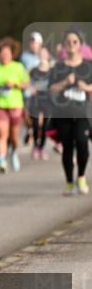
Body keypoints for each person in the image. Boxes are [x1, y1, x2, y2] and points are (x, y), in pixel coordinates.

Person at [48, 30, 91, 195]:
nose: (71, 44)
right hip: (63, 114)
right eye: (68, 42)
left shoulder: (88, 65)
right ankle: (69, 182)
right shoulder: (58, 67)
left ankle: (81, 177)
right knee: (67, 148)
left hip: (82, 113)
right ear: (64, 45)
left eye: (75, 41)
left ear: (80, 45)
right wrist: (65, 82)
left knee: (82, 143)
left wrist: (86, 87)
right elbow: (51, 89)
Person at [0, 37, 30, 174]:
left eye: (7, 53)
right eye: (2, 53)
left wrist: (15, 84)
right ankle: (2, 161)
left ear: (12, 54)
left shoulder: (18, 67)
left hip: (15, 105)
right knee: (1, 134)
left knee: (14, 137)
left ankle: (13, 152)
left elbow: (26, 84)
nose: (4, 56)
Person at [27, 47, 54, 161]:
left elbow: (57, 84)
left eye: (44, 53)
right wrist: (30, 88)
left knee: (45, 126)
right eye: (40, 53)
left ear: (48, 55)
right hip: (36, 100)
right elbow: (27, 82)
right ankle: (35, 146)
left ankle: (41, 148)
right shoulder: (33, 70)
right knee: (35, 124)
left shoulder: (52, 71)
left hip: (48, 100)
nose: (42, 55)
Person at [20, 32, 43, 147]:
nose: (33, 45)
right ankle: (30, 130)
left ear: (40, 44)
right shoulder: (24, 57)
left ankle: (36, 136)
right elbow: (21, 73)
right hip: (27, 90)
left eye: (35, 42)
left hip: (40, 91)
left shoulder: (43, 55)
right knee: (27, 115)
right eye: (31, 42)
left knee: (39, 117)